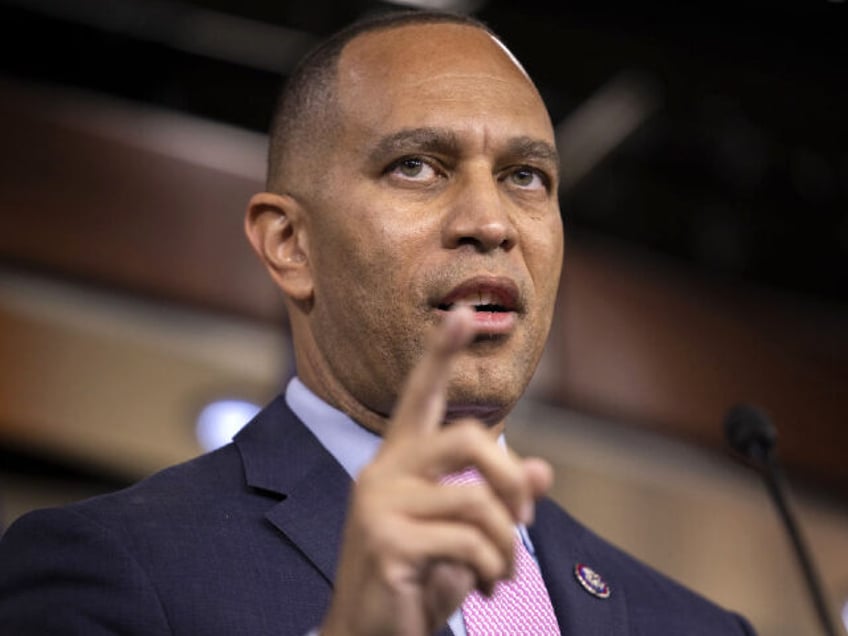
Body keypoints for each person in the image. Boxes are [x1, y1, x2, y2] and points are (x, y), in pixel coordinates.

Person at [0, 9, 757, 635]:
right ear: (289, 244)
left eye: (525, 177)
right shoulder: (112, 569)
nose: (490, 222)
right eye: (417, 167)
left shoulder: (698, 628)